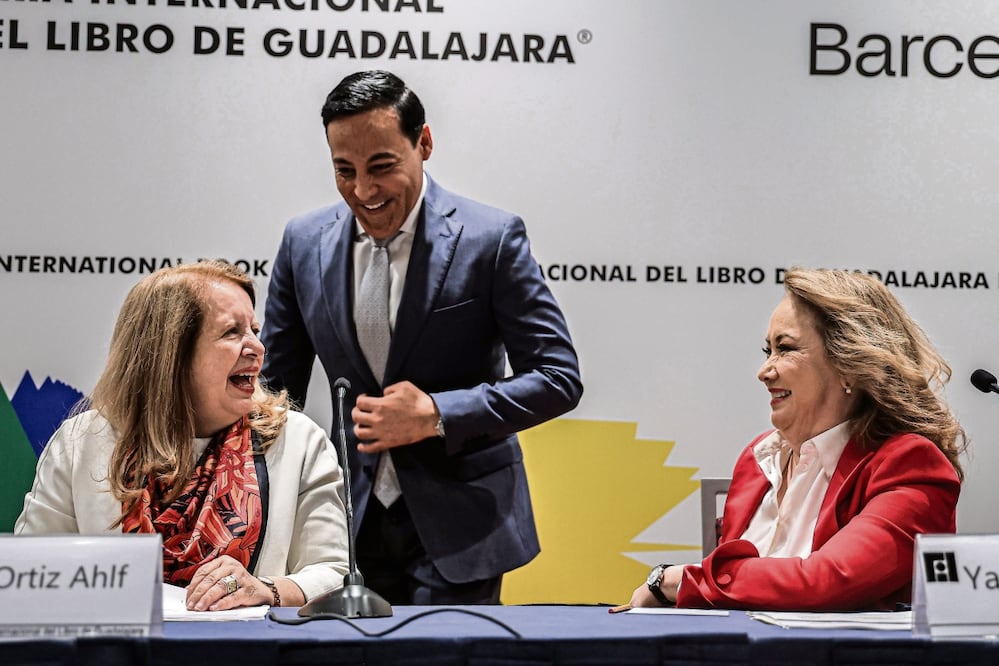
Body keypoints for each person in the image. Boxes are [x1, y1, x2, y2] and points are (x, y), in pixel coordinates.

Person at [260, 70, 583, 605]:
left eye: (382, 166)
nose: (363, 191)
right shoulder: (302, 243)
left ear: (424, 143)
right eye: (344, 171)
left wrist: (436, 414)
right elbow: (274, 393)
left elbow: (557, 377)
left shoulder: (491, 239)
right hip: (341, 530)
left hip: (464, 528)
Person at [15, 260, 350, 612]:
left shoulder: (297, 440)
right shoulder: (82, 442)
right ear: (171, 353)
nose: (257, 348)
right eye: (232, 333)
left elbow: (335, 574)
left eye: (254, 330)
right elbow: (30, 571)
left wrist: (268, 589)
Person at [630, 267, 965, 611]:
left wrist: (679, 580)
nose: (764, 371)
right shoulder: (759, 459)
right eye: (767, 351)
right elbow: (733, 592)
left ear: (849, 364)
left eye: (785, 348)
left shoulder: (909, 463)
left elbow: (827, 581)